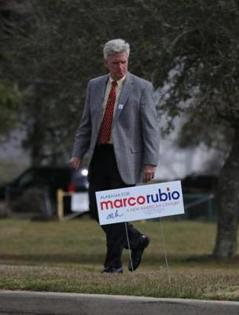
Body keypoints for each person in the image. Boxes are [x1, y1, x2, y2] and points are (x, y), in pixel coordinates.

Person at [69, 38, 160, 273]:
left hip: (126, 160)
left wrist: (150, 162)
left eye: (124, 62)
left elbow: (150, 127)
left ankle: (113, 266)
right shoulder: (94, 86)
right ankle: (136, 240)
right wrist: (77, 153)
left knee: (115, 211)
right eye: (115, 63)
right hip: (99, 156)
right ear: (106, 62)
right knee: (96, 209)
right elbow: (86, 124)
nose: (120, 67)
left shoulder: (142, 87)